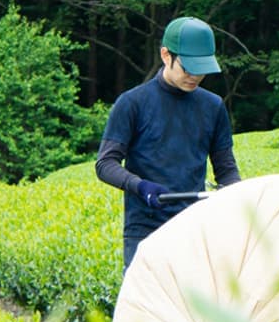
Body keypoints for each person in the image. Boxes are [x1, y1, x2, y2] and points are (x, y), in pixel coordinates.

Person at [97, 16, 241, 269]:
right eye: (188, 68)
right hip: (144, 230)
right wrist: (140, 186)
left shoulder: (213, 106)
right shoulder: (132, 103)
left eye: (202, 70)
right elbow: (105, 163)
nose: (195, 77)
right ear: (166, 55)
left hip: (194, 227)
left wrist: (238, 199)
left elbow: (226, 170)